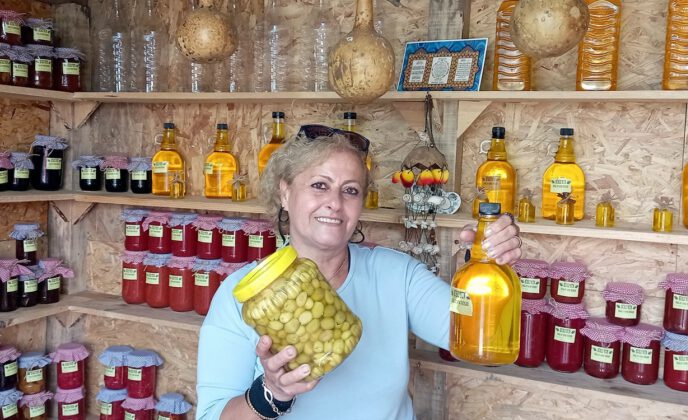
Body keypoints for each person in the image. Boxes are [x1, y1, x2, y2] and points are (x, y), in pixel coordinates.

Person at [196, 125, 523, 420]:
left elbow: (481, 333)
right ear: (285, 193)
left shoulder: (396, 275)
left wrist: (485, 262)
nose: (335, 203)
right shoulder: (241, 295)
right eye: (320, 185)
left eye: (350, 190)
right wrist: (272, 394)